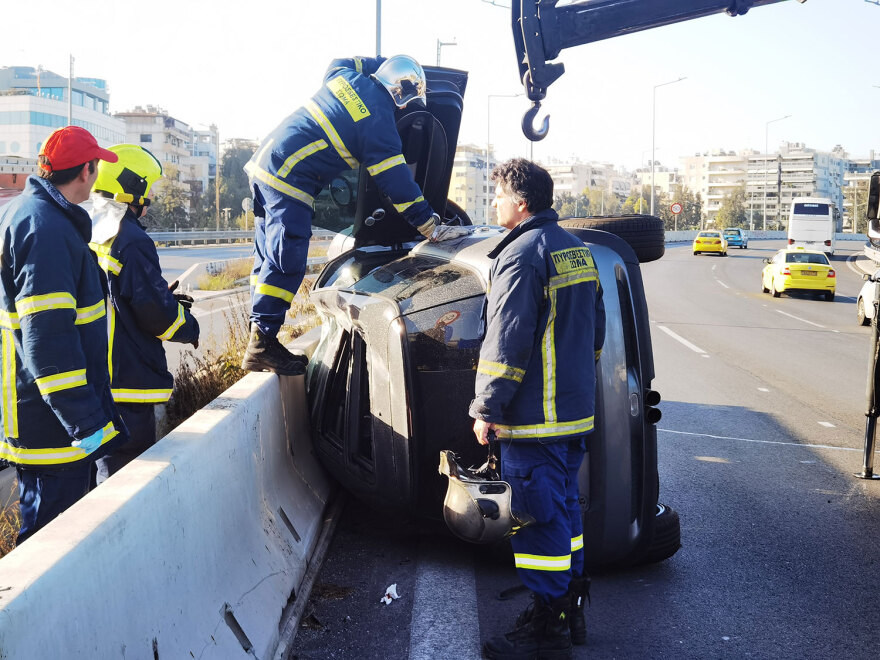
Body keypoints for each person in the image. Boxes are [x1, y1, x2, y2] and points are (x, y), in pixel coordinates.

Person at [242, 54, 454, 376]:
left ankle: (258, 336)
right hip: (289, 180)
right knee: (286, 260)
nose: (403, 109)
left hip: (264, 167)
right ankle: (262, 345)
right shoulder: (379, 122)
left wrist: (380, 61)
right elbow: (398, 184)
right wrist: (430, 225)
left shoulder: (342, 78)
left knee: (267, 260)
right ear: (402, 93)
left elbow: (343, 59)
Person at [470, 158, 606, 659]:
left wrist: (486, 408)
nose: (494, 202)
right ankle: (571, 611)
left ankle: (546, 630)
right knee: (567, 512)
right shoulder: (578, 252)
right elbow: (596, 335)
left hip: (533, 421)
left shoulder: (522, 255)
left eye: (499, 194)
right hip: (573, 416)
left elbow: (506, 343)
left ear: (520, 202)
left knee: (537, 518)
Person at [0, 126, 128, 544]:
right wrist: (86, 423)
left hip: (41, 415)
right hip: (53, 429)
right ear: (87, 171)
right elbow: (48, 341)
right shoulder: (48, 230)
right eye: (96, 167)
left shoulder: (30, 213)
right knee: (49, 544)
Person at [87, 144, 200, 484]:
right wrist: (187, 325)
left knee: (102, 472)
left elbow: (116, 298)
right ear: (131, 188)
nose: (149, 198)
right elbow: (154, 313)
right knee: (126, 480)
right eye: (146, 189)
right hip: (126, 382)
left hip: (97, 378)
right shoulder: (131, 239)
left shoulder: (92, 230)